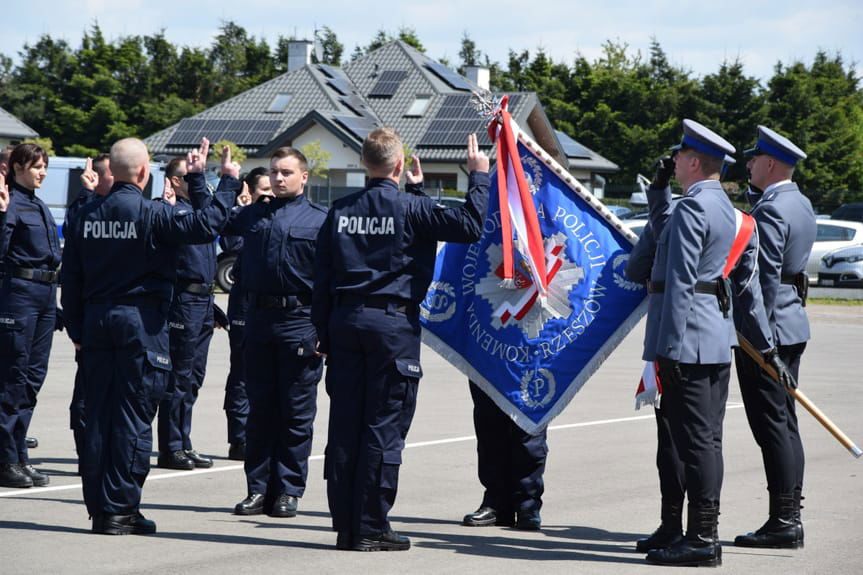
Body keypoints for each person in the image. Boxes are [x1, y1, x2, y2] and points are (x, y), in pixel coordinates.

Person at [312, 129, 489, 551]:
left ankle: (346, 526)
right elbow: (470, 225)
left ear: (363, 162)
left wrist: (323, 333)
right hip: (391, 326)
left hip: (345, 322)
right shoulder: (413, 208)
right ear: (398, 165)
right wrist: (478, 175)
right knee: (382, 427)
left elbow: (320, 278)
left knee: (346, 426)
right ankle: (371, 526)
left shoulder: (339, 210)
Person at [60, 137, 236, 534]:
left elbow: (70, 278)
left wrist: (77, 329)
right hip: (140, 322)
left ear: (111, 171)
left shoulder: (85, 215)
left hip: (96, 320)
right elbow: (208, 224)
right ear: (144, 172)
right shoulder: (153, 213)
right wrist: (219, 180)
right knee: (132, 415)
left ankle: (100, 507)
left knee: (98, 415)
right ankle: (120, 509)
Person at [640, 120, 790, 567]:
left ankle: (702, 538)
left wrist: (667, 350)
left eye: (679, 158)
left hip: (685, 341)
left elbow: (681, 282)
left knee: (693, 444)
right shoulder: (736, 215)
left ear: (692, 162)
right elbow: (749, 293)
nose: (674, 164)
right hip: (717, 340)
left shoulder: (691, 209)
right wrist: (767, 349)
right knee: (706, 440)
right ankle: (696, 532)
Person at [223, 147, 326, 519]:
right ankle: (258, 488)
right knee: (260, 411)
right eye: (274, 171)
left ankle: (287, 490)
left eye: (286, 172)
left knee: (296, 413)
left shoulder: (320, 220)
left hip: (300, 321)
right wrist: (225, 180)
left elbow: (331, 280)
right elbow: (215, 220)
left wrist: (324, 329)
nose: (279, 178)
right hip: (259, 321)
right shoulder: (253, 214)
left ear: (304, 177)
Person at [733, 126, 815, 550]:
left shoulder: (770, 210)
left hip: (769, 332)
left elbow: (759, 283)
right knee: (786, 423)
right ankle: (790, 516)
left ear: (769, 163)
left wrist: (762, 344)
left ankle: (783, 521)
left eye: (753, 159)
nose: (748, 165)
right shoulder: (799, 202)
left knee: (772, 427)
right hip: (792, 322)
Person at [0, 143, 60, 489]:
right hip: (18, 296)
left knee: (32, 380)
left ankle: (19, 454)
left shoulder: (38, 205)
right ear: (18, 167)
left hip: (45, 295)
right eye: (37, 166)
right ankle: (5, 459)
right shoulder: (8, 203)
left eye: (45, 166)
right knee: (12, 379)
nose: (43, 173)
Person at [156, 156, 219, 471]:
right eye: (190, 176)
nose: (198, 182)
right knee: (178, 378)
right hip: (183, 301)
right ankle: (171, 448)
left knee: (194, 377)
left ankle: (184, 441)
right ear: (175, 181)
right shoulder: (174, 214)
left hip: (204, 301)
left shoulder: (197, 213)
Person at [220, 167, 273, 461]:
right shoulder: (241, 218)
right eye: (263, 191)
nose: (269, 196)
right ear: (249, 192)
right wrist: (241, 211)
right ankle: (239, 438)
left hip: (271, 305)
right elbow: (232, 245)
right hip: (244, 302)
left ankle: (262, 434)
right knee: (242, 372)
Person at [66, 154, 114, 471]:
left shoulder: (127, 209)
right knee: (86, 393)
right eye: (111, 172)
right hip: (92, 317)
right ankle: (88, 454)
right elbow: (74, 232)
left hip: (120, 320)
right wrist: (86, 193)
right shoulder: (86, 209)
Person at [462, 380, 548, 530]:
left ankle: (528, 506)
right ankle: (498, 506)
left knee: (529, 429)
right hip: (489, 367)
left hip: (531, 368)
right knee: (490, 428)